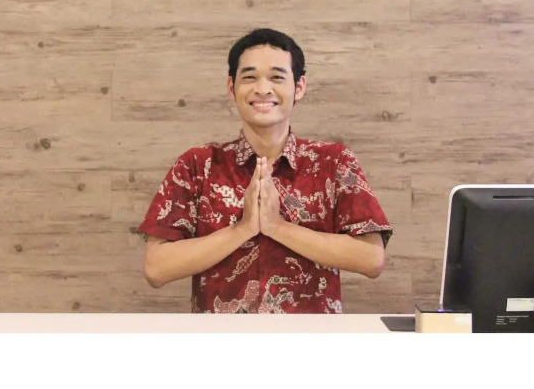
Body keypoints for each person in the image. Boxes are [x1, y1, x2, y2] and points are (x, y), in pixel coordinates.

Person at [137, 27, 392, 313]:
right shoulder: (198, 165)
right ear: (231, 87)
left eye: (276, 77)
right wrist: (243, 228)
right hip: (220, 339)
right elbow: (156, 268)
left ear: (299, 87)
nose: (262, 89)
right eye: (249, 77)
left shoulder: (333, 162)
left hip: (311, 339)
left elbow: (371, 258)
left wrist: (277, 227)